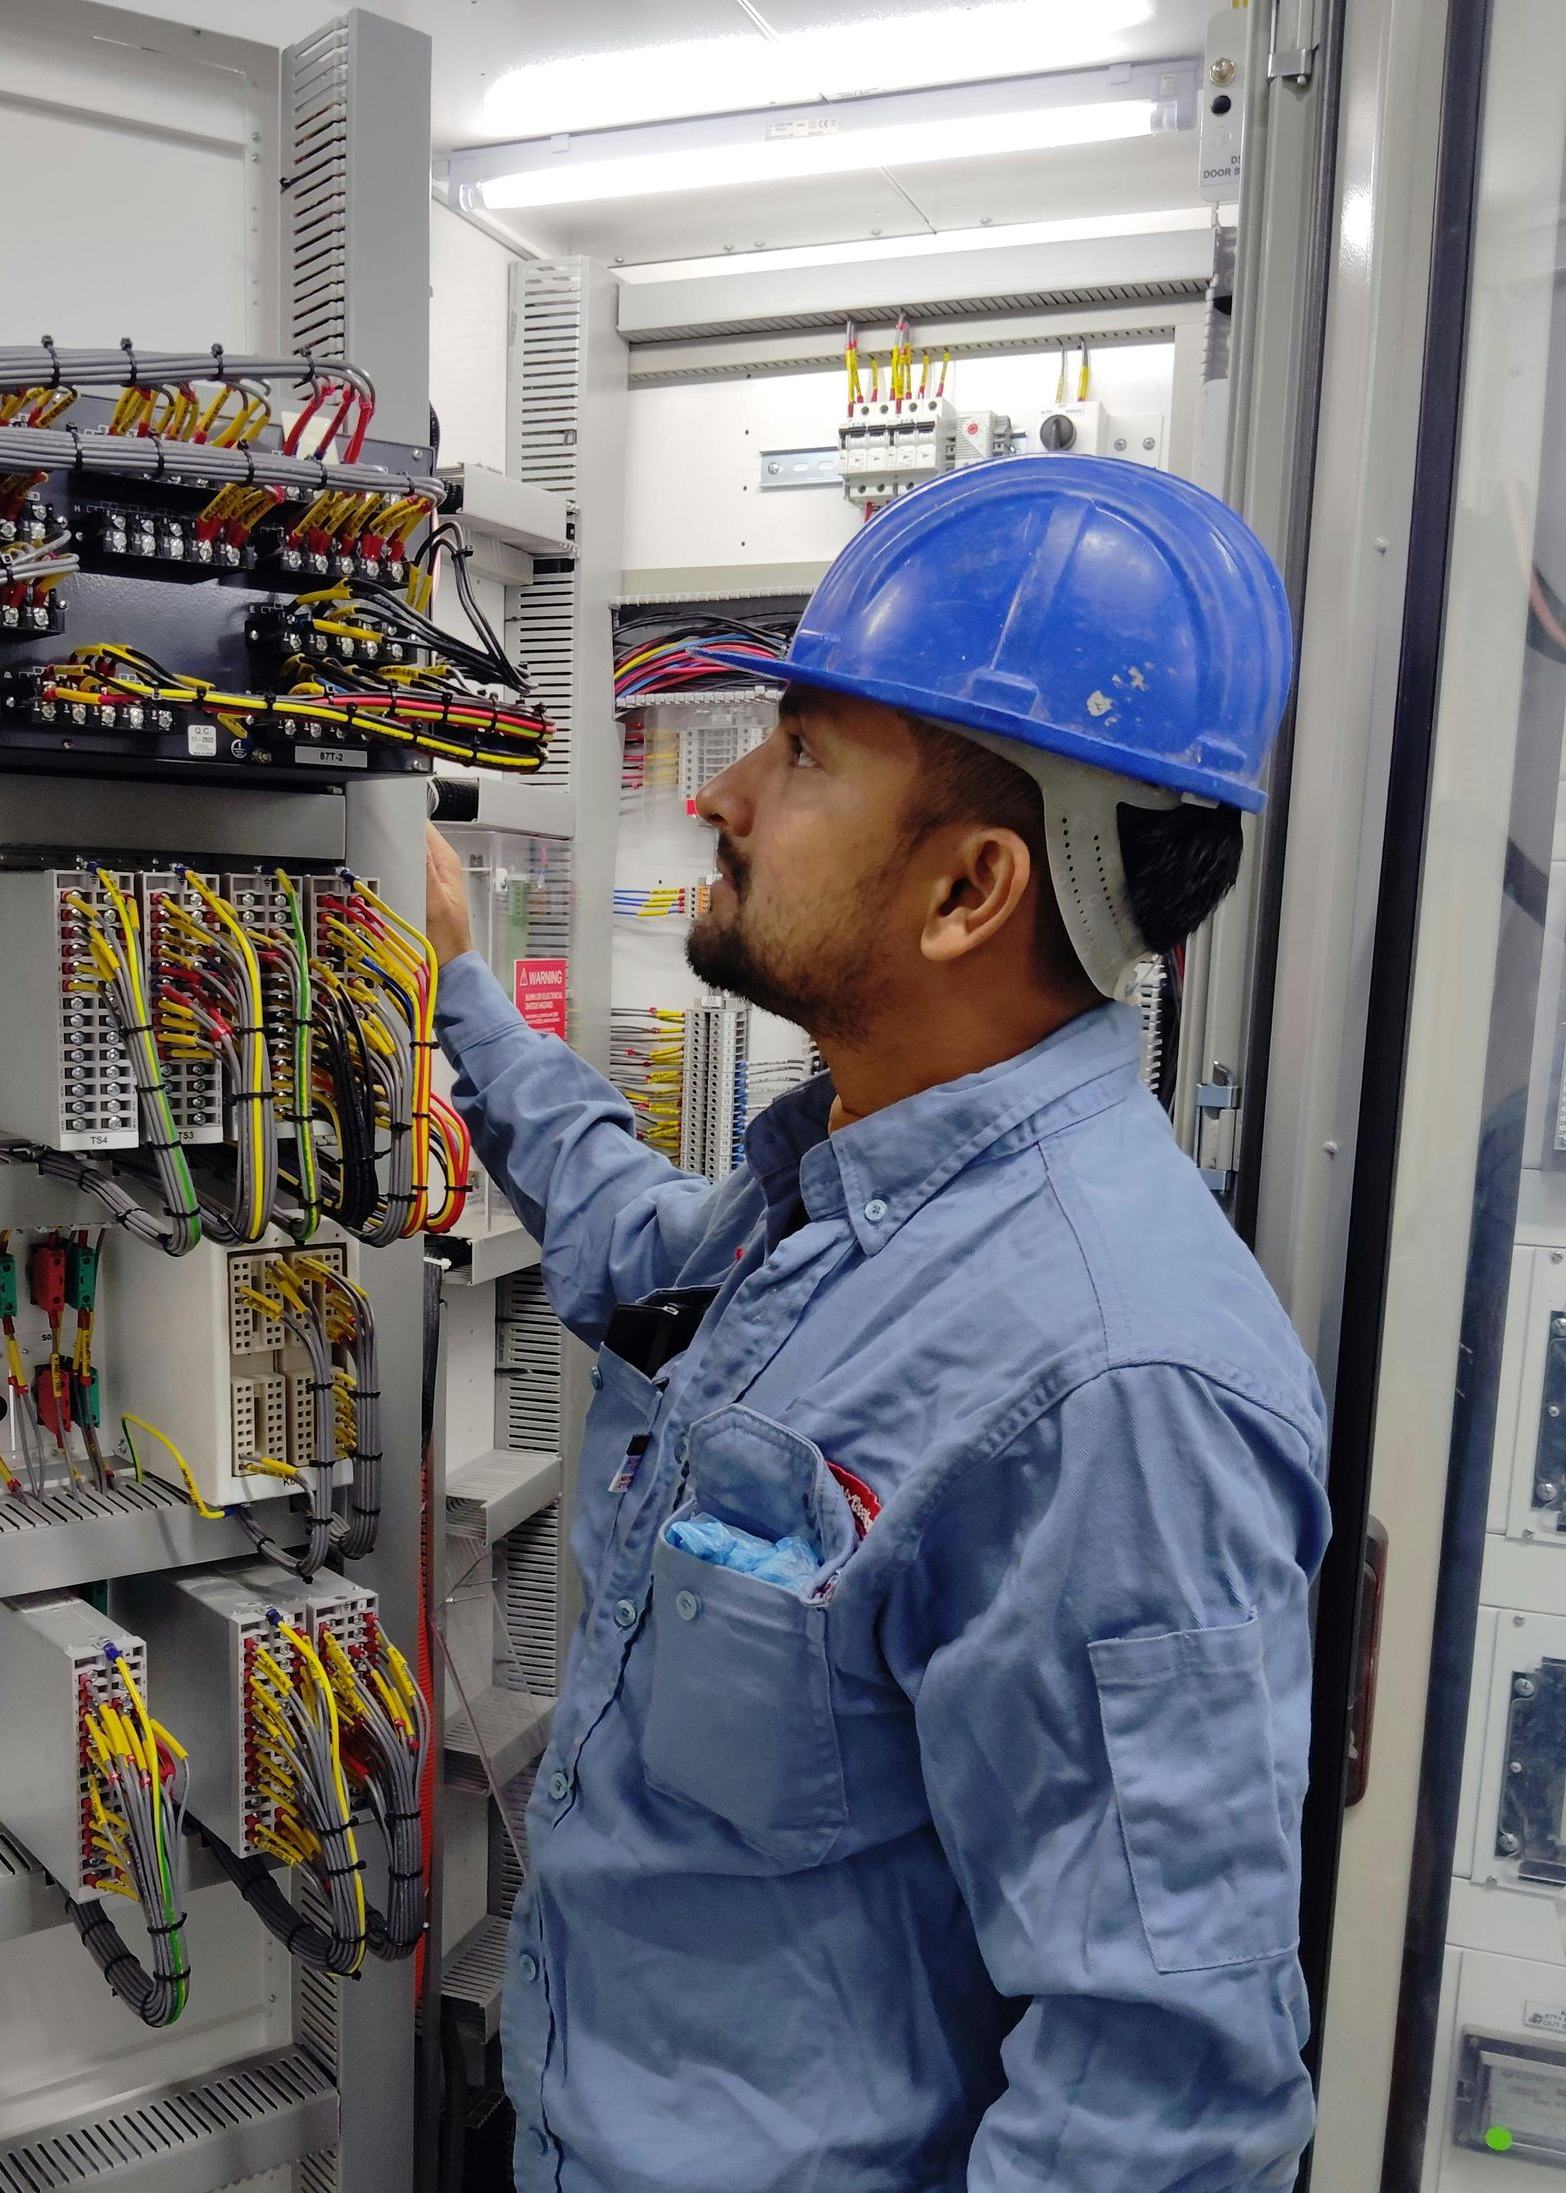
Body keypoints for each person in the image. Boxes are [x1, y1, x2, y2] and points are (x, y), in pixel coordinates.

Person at [426, 455, 1328, 2193]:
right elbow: (637, 1256)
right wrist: (458, 993)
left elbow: (1158, 2114)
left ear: (968, 891)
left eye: (806, 752)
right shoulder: (841, 1201)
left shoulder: (1108, 1380)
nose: (726, 800)